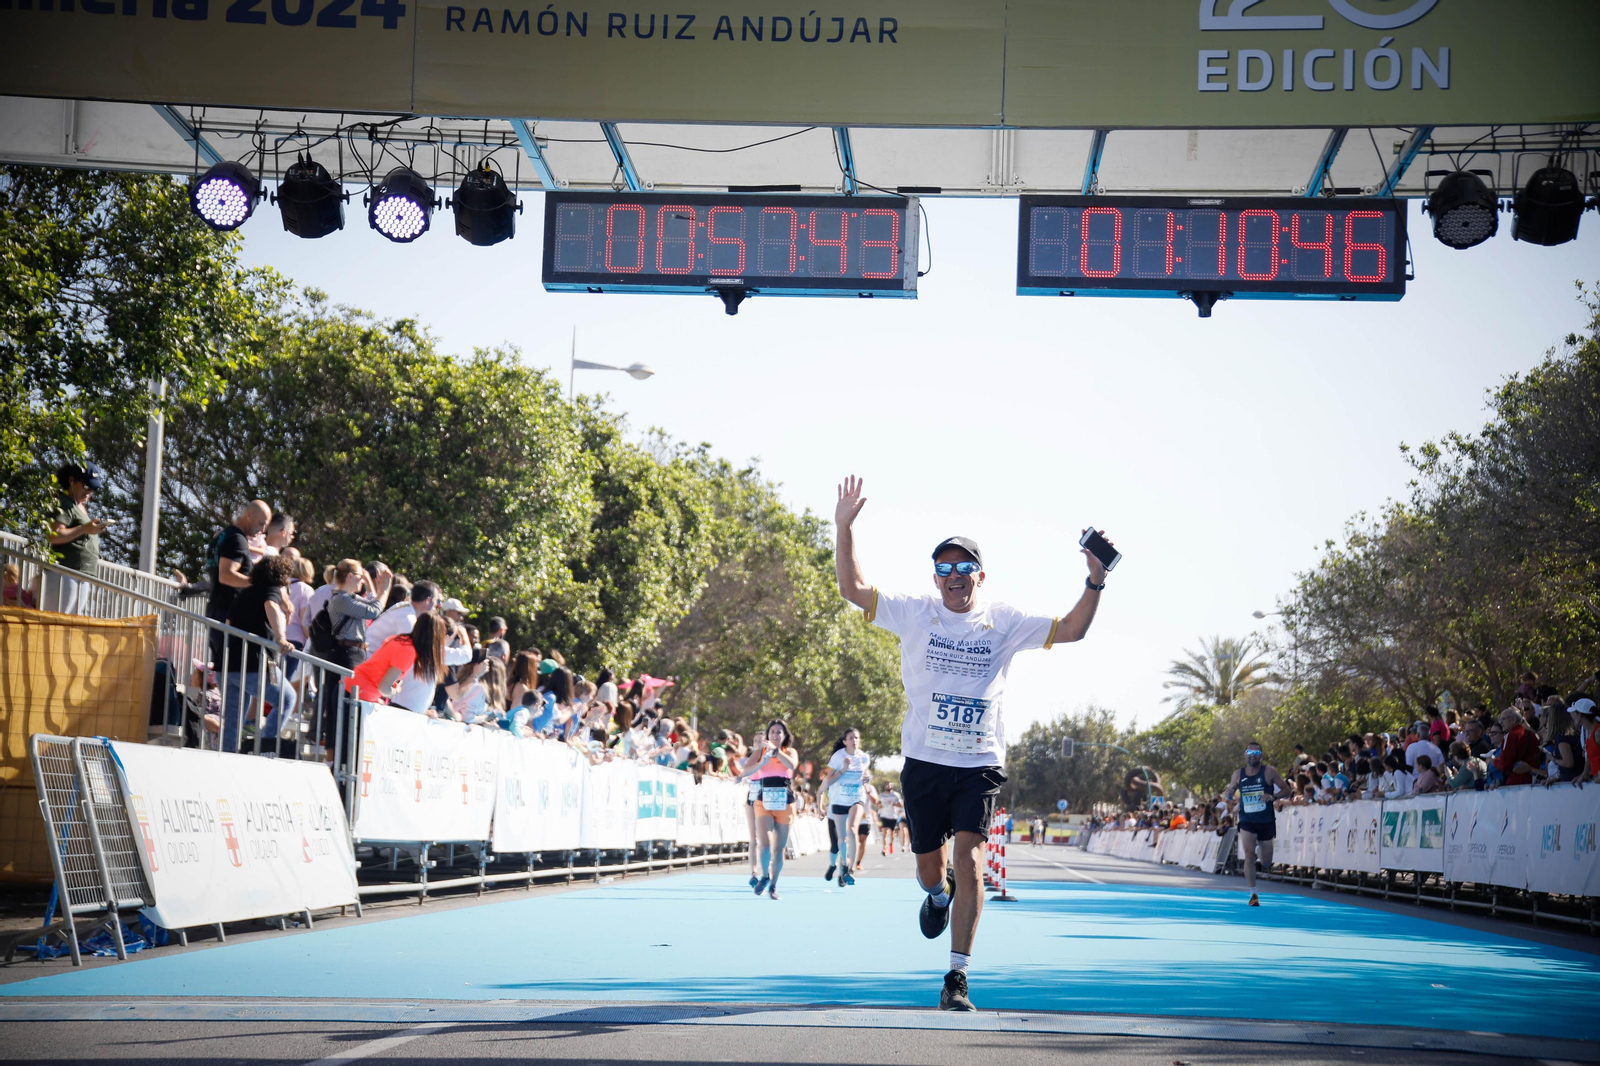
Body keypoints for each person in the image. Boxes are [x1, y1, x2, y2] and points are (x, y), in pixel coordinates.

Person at [833, 475, 1109, 1011]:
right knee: (931, 871)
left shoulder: (1004, 621)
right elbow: (852, 589)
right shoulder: (915, 611)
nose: (955, 577)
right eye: (945, 568)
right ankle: (938, 895)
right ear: (935, 578)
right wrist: (844, 527)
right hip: (924, 762)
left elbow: (1073, 629)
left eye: (964, 568)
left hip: (979, 762)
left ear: (980, 576)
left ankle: (956, 977)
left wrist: (1095, 581)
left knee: (972, 858)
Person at [220, 554, 298, 753]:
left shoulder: (244, 593)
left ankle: (228, 756)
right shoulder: (271, 590)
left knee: (232, 721)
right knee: (286, 698)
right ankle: (266, 746)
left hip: (228, 665)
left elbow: (229, 623)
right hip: (256, 664)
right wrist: (281, 637)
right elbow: (271, 605)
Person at [1221, 741, 1287, 907]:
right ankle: (1253, 894)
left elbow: (1287, 790)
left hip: (1266, 820)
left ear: (1261, 756)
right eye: (1249, 753)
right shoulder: (1238, 774)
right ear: (1245, 755)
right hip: (1247, 820)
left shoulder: (1269, 771)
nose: (1252, 756)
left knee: (1266, 862)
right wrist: (1228, 793)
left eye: (1256, 753)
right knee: (1248, 854)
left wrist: (1273, 796)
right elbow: (1229, 791)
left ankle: (1260, 851)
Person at [348, 611, 450, 712]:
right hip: (358, 694)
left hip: (354, 688)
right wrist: (395, 691)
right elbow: (384, 688)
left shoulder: (401, 639)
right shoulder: (408, 650)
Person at [45, 462, 106, 614]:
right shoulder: (64, 503)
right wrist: (84, 528)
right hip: (64, 573)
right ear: (72, 481)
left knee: (69, 625)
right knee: (57, 621)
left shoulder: (77, 505)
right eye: (86, 486)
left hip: (79, 574)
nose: (89, 492)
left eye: (93, 489)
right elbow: (54, 535)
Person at [749, 719, 799, 900]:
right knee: (765, 844)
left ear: (784, 735)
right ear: (767, 735)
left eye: (779, 732)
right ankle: (764, 876)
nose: (775, 735)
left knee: (779, 849)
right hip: (764, 801)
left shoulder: (790, 752)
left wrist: (777, 752)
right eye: (772, 732)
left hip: (785, 802)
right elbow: (746, 769)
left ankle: (774, 885)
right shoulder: (761, 752)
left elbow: (792, 765)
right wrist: (761, 761)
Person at [819, 728, 872, 886]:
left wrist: (867, 779)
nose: (854, 740)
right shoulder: (838, 756)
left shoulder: (864, 757)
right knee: (840, 839)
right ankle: (840, 864)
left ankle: (850, 868)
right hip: (839, 800)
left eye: (856, 737)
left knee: (852, 829)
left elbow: (865, 774)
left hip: (856, 798)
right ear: (844, 741)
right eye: (850, 738)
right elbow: (828, 780)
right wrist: (843, 769)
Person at [1493, 707, 1541, 787]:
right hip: (1533, 781)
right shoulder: (1531, 735)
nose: (1501, 723)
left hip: (1515, 784)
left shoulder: (1511, 736)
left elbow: (1504, 764)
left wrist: (1494, 761)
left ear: (1513, 720)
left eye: (1503, 719)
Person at [879, 784, 905, 856]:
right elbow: (878, 803)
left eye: (889, 785)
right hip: (884, 815)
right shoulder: (881, 795)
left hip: (893, 816)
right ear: (884, 786)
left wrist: (893, 804)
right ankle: (884, 848)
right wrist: (879, 806)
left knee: (892, 832)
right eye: (886, 785)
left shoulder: (895, 795)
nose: (888, 786)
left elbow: (901, 805)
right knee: (884, 832)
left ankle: (891, 844)